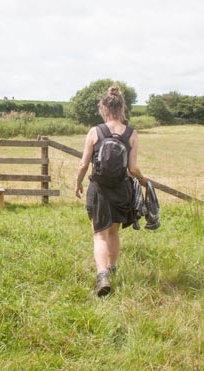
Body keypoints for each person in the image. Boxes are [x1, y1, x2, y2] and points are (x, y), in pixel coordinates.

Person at [74, 85, 148, 297]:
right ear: (122, 107)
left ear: (103, 107)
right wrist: (142, 181)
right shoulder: (132, 134)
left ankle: (102, 274)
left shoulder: (95, 131)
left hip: (99, 190)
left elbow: (83, 164)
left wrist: (78, 183)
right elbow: (132, 169)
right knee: (114, 232)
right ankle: (112, 268)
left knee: (100, 235)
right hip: (121, 189)